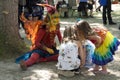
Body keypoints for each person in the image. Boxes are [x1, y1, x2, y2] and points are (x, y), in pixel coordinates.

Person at [15, 4, 62, 70]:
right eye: (54, 18)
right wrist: (46, 49)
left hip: (51, 50)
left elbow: (61, 39)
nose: (57, 21)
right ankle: (26, 64)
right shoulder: (43, 28)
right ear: (50, 18)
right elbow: (37, 43)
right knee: (34, 56)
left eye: (57, 18)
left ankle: (41, 60)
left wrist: (64, 47)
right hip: (40, 49)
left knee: (61, 56)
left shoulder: (57, 27)